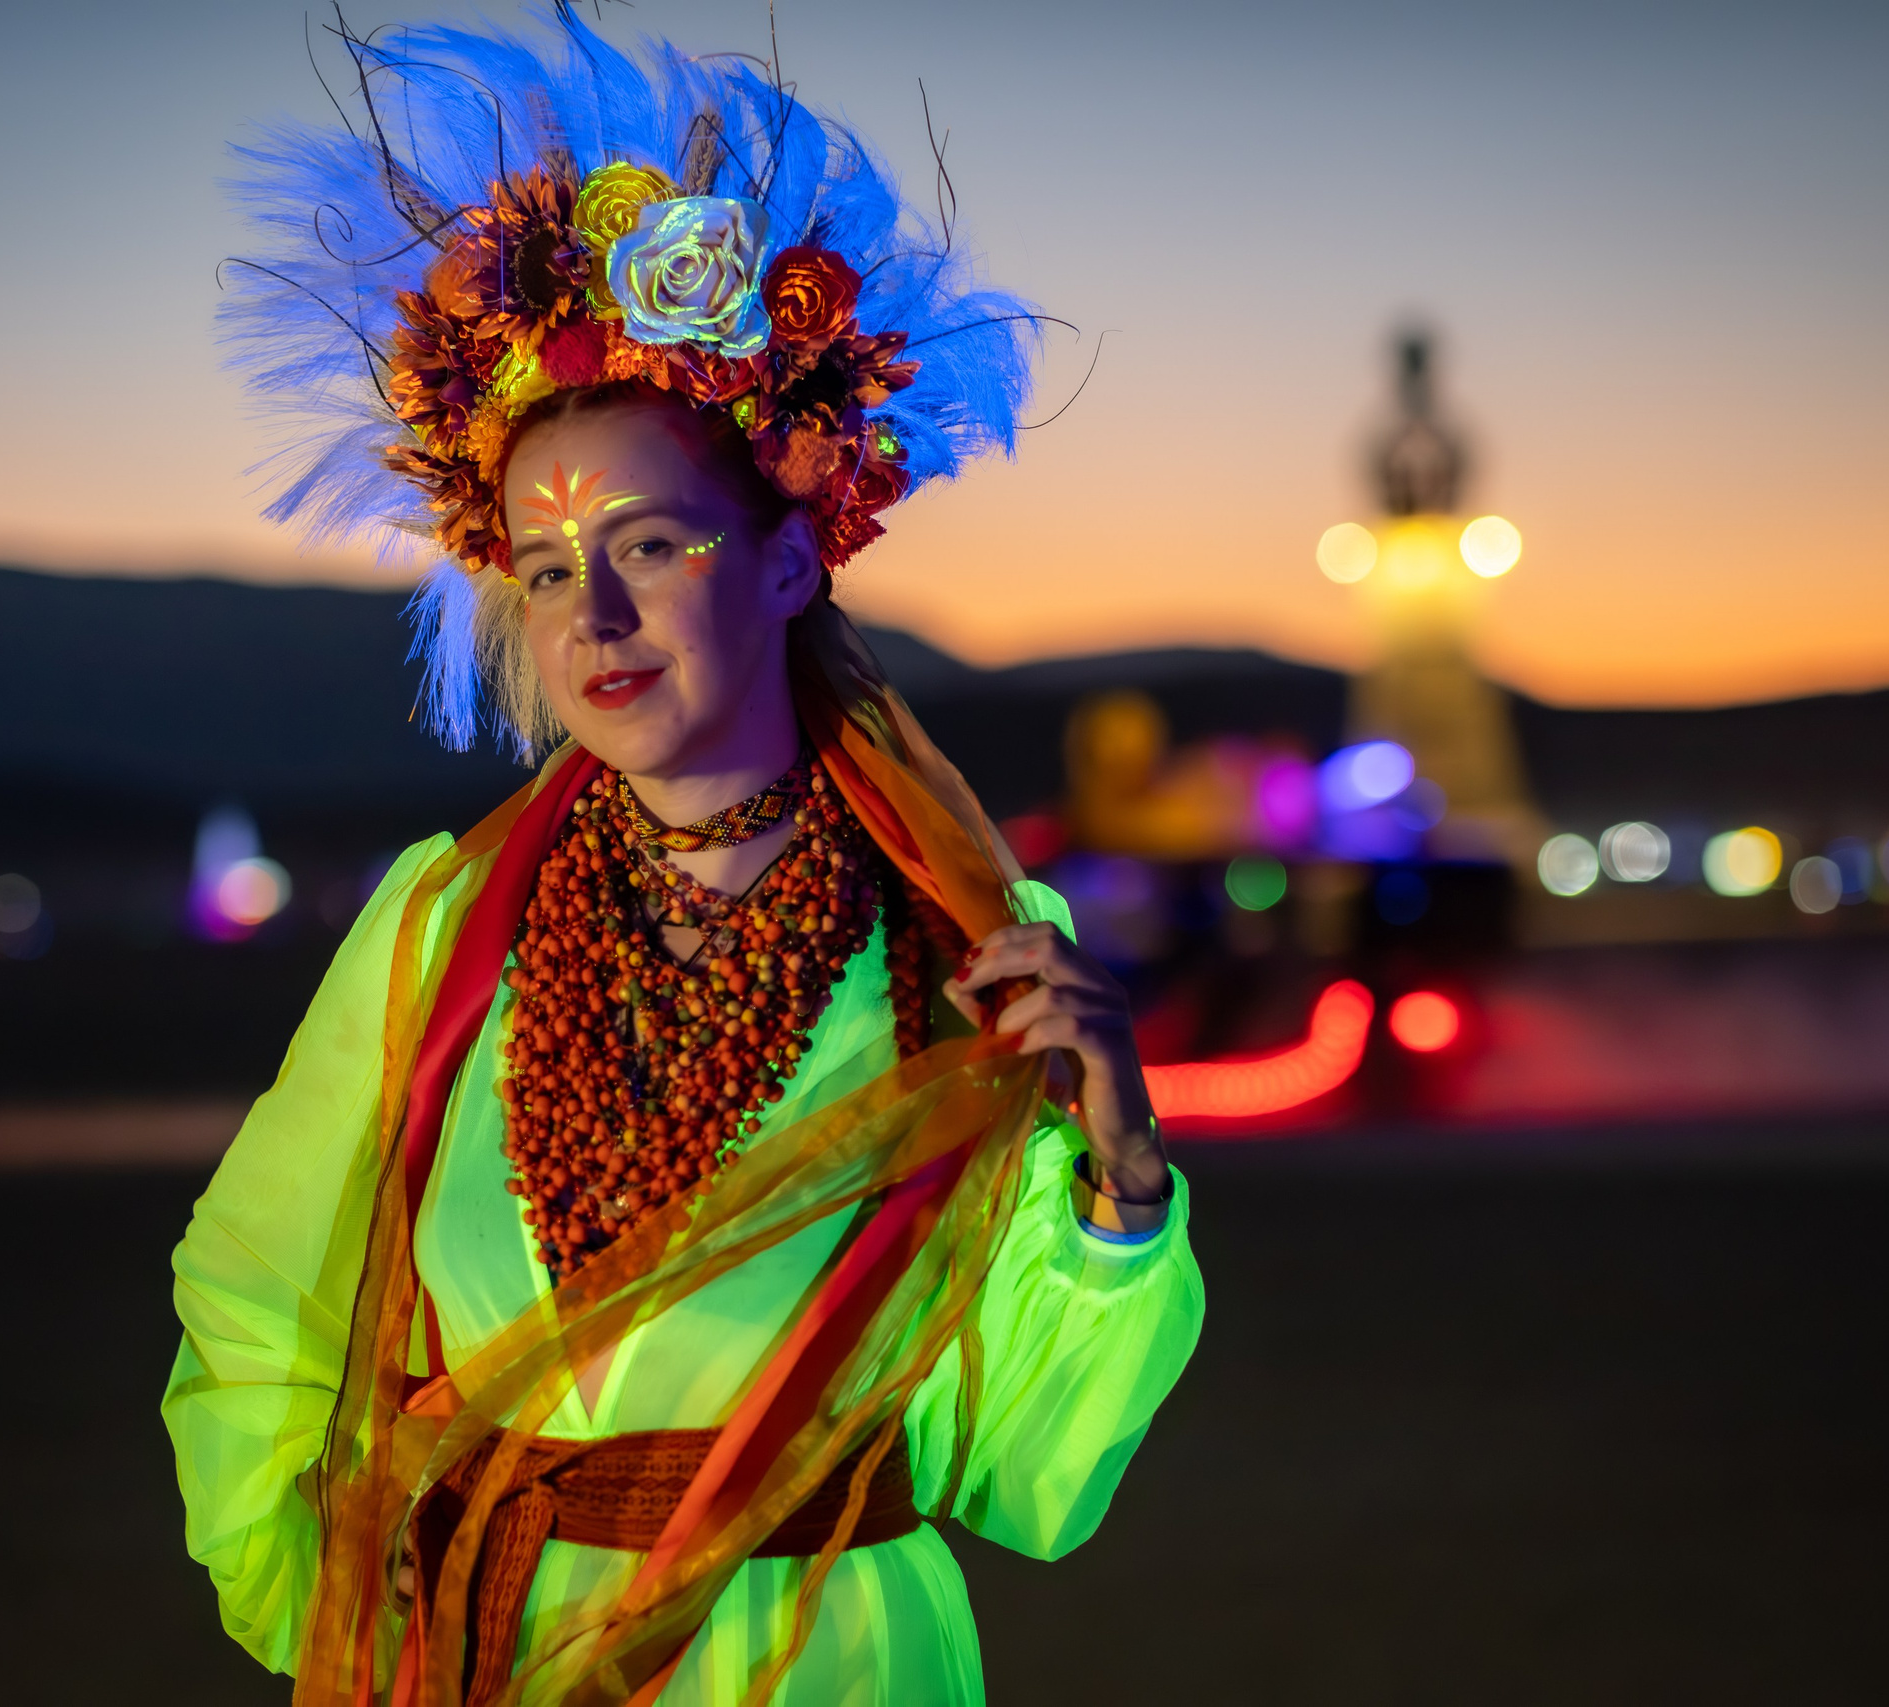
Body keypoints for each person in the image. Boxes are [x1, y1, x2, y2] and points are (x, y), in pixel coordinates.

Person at [165, 16, 1203, 1705]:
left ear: (793, 559)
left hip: (822, 1660)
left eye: (652, 543)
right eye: (548, 564)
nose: (598, 615)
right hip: (478, 1654)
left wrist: (1120, 1183)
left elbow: (1030, 1465)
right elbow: (261, 1294)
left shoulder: (965, 939)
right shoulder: (439, 924)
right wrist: (338, 1606)